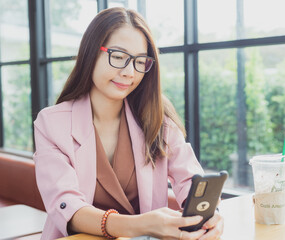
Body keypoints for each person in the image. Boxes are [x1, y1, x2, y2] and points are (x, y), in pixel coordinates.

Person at [33, 7, 223, 240]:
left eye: (140, 61)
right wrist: (141, 225)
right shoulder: (51, 123)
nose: (129, 72)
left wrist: (210, 214)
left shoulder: (157, 117)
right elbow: (66, 205)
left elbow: (190, 179)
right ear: (91, 53)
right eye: (119, 57)